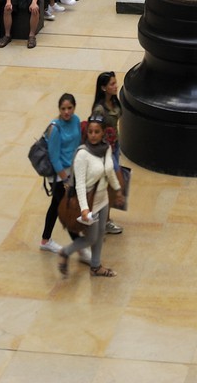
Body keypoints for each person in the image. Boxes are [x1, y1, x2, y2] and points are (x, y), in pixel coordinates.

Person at [57, 116, 123, 279]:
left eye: (97, 132)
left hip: (103, 200)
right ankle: (65, 252)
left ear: (102, 134)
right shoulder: (82, 155)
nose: (93, 135)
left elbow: (109, 171)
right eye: (90, 132)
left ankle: (96, 266)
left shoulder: (106, 148)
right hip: (89, 202)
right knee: (91, 237)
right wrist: (85, 209)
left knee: (100, 234)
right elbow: (79, 184)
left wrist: (118, 189)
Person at [39, 92, 82, 254]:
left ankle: (45, 240)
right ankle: (80, 247)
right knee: (67, 209)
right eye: (63, 108)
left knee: (56, 206)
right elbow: (54, 157)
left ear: (74, 108)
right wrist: (65, 180)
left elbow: (77, 145)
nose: (66, 112)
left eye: (70, 108)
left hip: (71, 172)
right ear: (59, 109)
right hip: (58, 175)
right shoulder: (55, 128)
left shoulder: (76, 121)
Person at [92, 70, 125, 235]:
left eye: (115, 82)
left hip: (115, 146)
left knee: (112, 185)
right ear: (103, 88)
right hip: (106, 150)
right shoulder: (99, 109)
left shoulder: (114, 101)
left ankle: (104, 217)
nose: (116, 85)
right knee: (113, 184)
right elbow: (94, 132)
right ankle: (105, 220)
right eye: (112, 83)